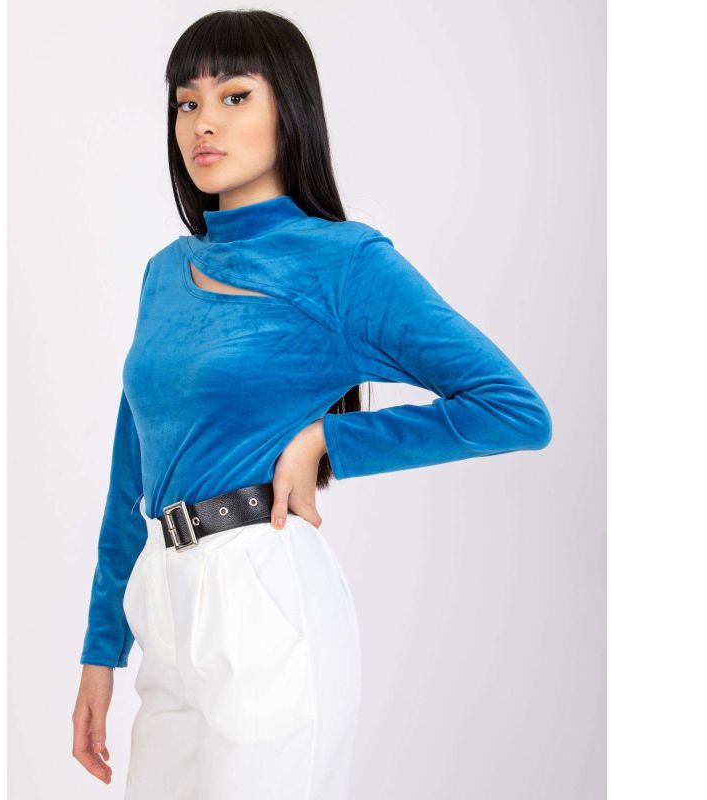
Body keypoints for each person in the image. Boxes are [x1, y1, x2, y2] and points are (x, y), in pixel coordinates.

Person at [71, 9, 552, 799]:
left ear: (289, 110)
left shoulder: (344, 262)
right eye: (186, 102)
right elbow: (132, 470)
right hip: (162, 596)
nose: (202, 122)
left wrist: (329, 440)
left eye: (234, 96)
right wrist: (101, 652)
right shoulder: (163, 272)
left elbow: (513, 408)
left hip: (264, 596)